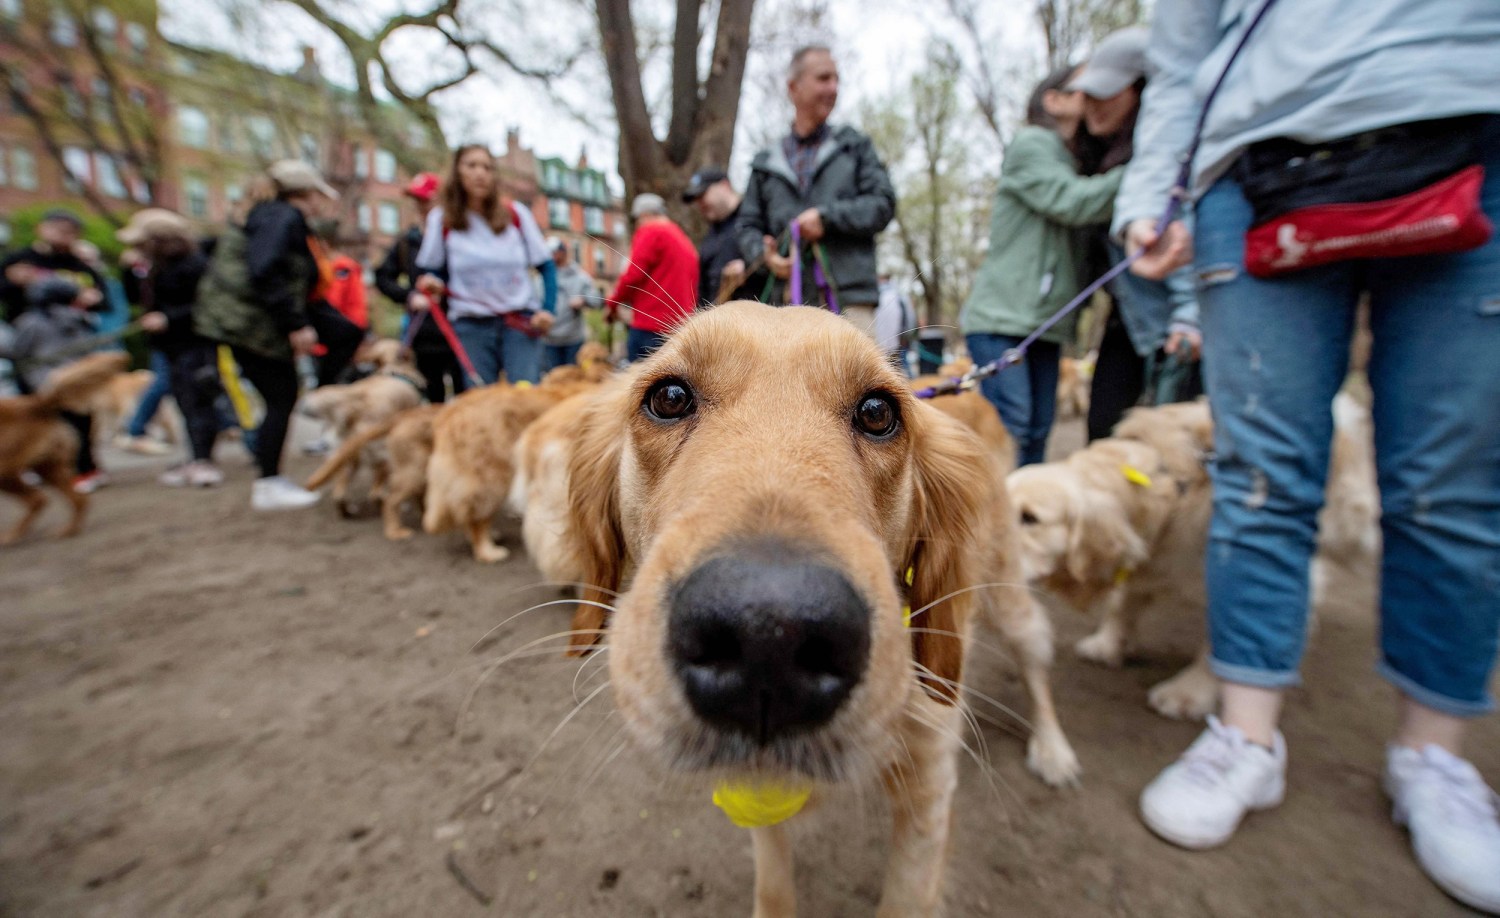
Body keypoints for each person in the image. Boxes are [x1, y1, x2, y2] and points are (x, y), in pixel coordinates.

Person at [1116, 4, 1500, 911]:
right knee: (1256, 476)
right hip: (1258, 168)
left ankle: (1435, 759)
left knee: (1450, 479)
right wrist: (1150, 197)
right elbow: (1179, 55)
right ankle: (1246, 736)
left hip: (1470, 125)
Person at [960, 65, 1124, 466]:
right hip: (1003, 319)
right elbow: (1072, 202)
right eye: (1084, 88)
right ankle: (997, 522)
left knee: (1036, 433)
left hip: (1043, 325)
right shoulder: (1032, 145)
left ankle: (1021, 523)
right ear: (1054, 100)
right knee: (1012, 432)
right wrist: (1146, 170)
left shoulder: (1070, 160)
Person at [1066, 27, 1201, 442]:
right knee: (1102, 431)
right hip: (1127, 319)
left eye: (1106, 92)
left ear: (1144, 92)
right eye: (1087, 94)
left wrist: (1189, 317)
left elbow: (1188, 240)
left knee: (1173, 443)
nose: (1092, 105)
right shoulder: (1097, 160)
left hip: (1175, 323)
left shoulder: (1166, 163)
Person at [196, 159, 346, 511]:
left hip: (241, 321)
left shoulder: (266, 214)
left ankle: (270, 477)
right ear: (307, 193)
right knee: (281, 395)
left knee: (284, 391)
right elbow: (264, 270)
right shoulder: (282, 216)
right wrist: (295, 324)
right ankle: (268, 482)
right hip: (250, 324)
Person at [734, 45, 896, 336]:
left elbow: (882, 204)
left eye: (836, 79)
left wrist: (827, 219)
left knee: (852, 380)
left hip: (849, 301)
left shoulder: (855, 147)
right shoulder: (765, 163)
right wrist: (763, 254)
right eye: (823, 78)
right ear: (794, 87)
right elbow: (747, 225)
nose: (833, 87)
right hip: (782, 308)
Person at [414, 145, 557, 386]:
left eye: (487, 167)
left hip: (519, 322)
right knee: (480, 399)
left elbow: (545, 265)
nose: (480, 173)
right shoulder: (441, 219)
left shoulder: (516, 215)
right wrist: (432, 282)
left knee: (524, 395)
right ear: (457, 172)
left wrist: (547, 309)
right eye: (471, 165)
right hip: (471, 325)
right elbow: (433, 269)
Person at [117, 208, 224, 487]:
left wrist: (168, 318)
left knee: (198, 399)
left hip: (194, 344)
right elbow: (136, 298)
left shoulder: (193, 264)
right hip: (170, 346)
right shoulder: (156, 265)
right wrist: (130, 270)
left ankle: (204, 460)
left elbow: (208, 307)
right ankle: (196, 456)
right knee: (185, 401)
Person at [9, 277, 106, 491]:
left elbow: (17, 352)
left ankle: (65, 472)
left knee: (51, 431)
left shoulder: (30, 322)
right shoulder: (81, 318)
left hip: (46, 386)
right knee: (82, 428)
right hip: (78, 384)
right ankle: (88, 470)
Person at [376, 172, 464, 402]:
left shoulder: (460, 237)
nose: (421, 206)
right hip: (425, 333)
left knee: (464, 396)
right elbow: (382, 277)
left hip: (460, 328)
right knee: (433, 396)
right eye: (417, 200)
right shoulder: (409, 241)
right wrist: (409, 297)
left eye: (426, 199)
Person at [606, 194, 698, 361]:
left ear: (644, 215)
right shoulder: (683, 239)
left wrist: (612, 304)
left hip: (649, 327)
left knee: (636, 381)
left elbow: (633, 275)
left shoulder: (652, 231)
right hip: (678, 329)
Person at [0, 208, 105, 323]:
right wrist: (13, 283)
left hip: (71, 329)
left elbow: (104, 302)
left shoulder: (82, 265)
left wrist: (92, 299)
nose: (63, 233)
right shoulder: (19, 259)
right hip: (23, 328)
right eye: (57, 227)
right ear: (40, 228)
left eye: (70, 230)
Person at [682, 167, 764, 306]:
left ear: (724, 185)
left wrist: (749, 265)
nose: (700, 204)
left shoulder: (755, 221)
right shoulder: (710, 237)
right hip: (721, 319)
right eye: (696, 200)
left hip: (760, 316)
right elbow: (704, 289)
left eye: (703, 195)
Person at [543, 239, 600, 370]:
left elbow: (597, 300)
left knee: (574, 378)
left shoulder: (580, 277)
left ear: (563, 252)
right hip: (549, 340)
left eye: (554, 252)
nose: (551, 256)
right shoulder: (543, 277)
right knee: (553, 379)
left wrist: (583, 300)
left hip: (573, 339)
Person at [872, 272, 915, 373]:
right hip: (895, 339)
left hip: (896, 339)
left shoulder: (896, 296)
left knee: (901, 364)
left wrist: (905, 335)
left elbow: (907, 317)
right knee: (899, 366)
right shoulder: (897, 296)